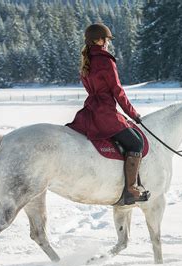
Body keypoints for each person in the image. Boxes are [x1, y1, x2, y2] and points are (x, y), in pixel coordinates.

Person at [66, 23, 150, 205]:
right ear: (99, 40)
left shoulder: (86, 61)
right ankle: (130, 190)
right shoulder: (105, 60)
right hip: (105, 113)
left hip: (90, 111)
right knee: (136, 142)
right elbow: (117, 91)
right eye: (106, 40)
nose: (108, 43)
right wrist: (133, 114)